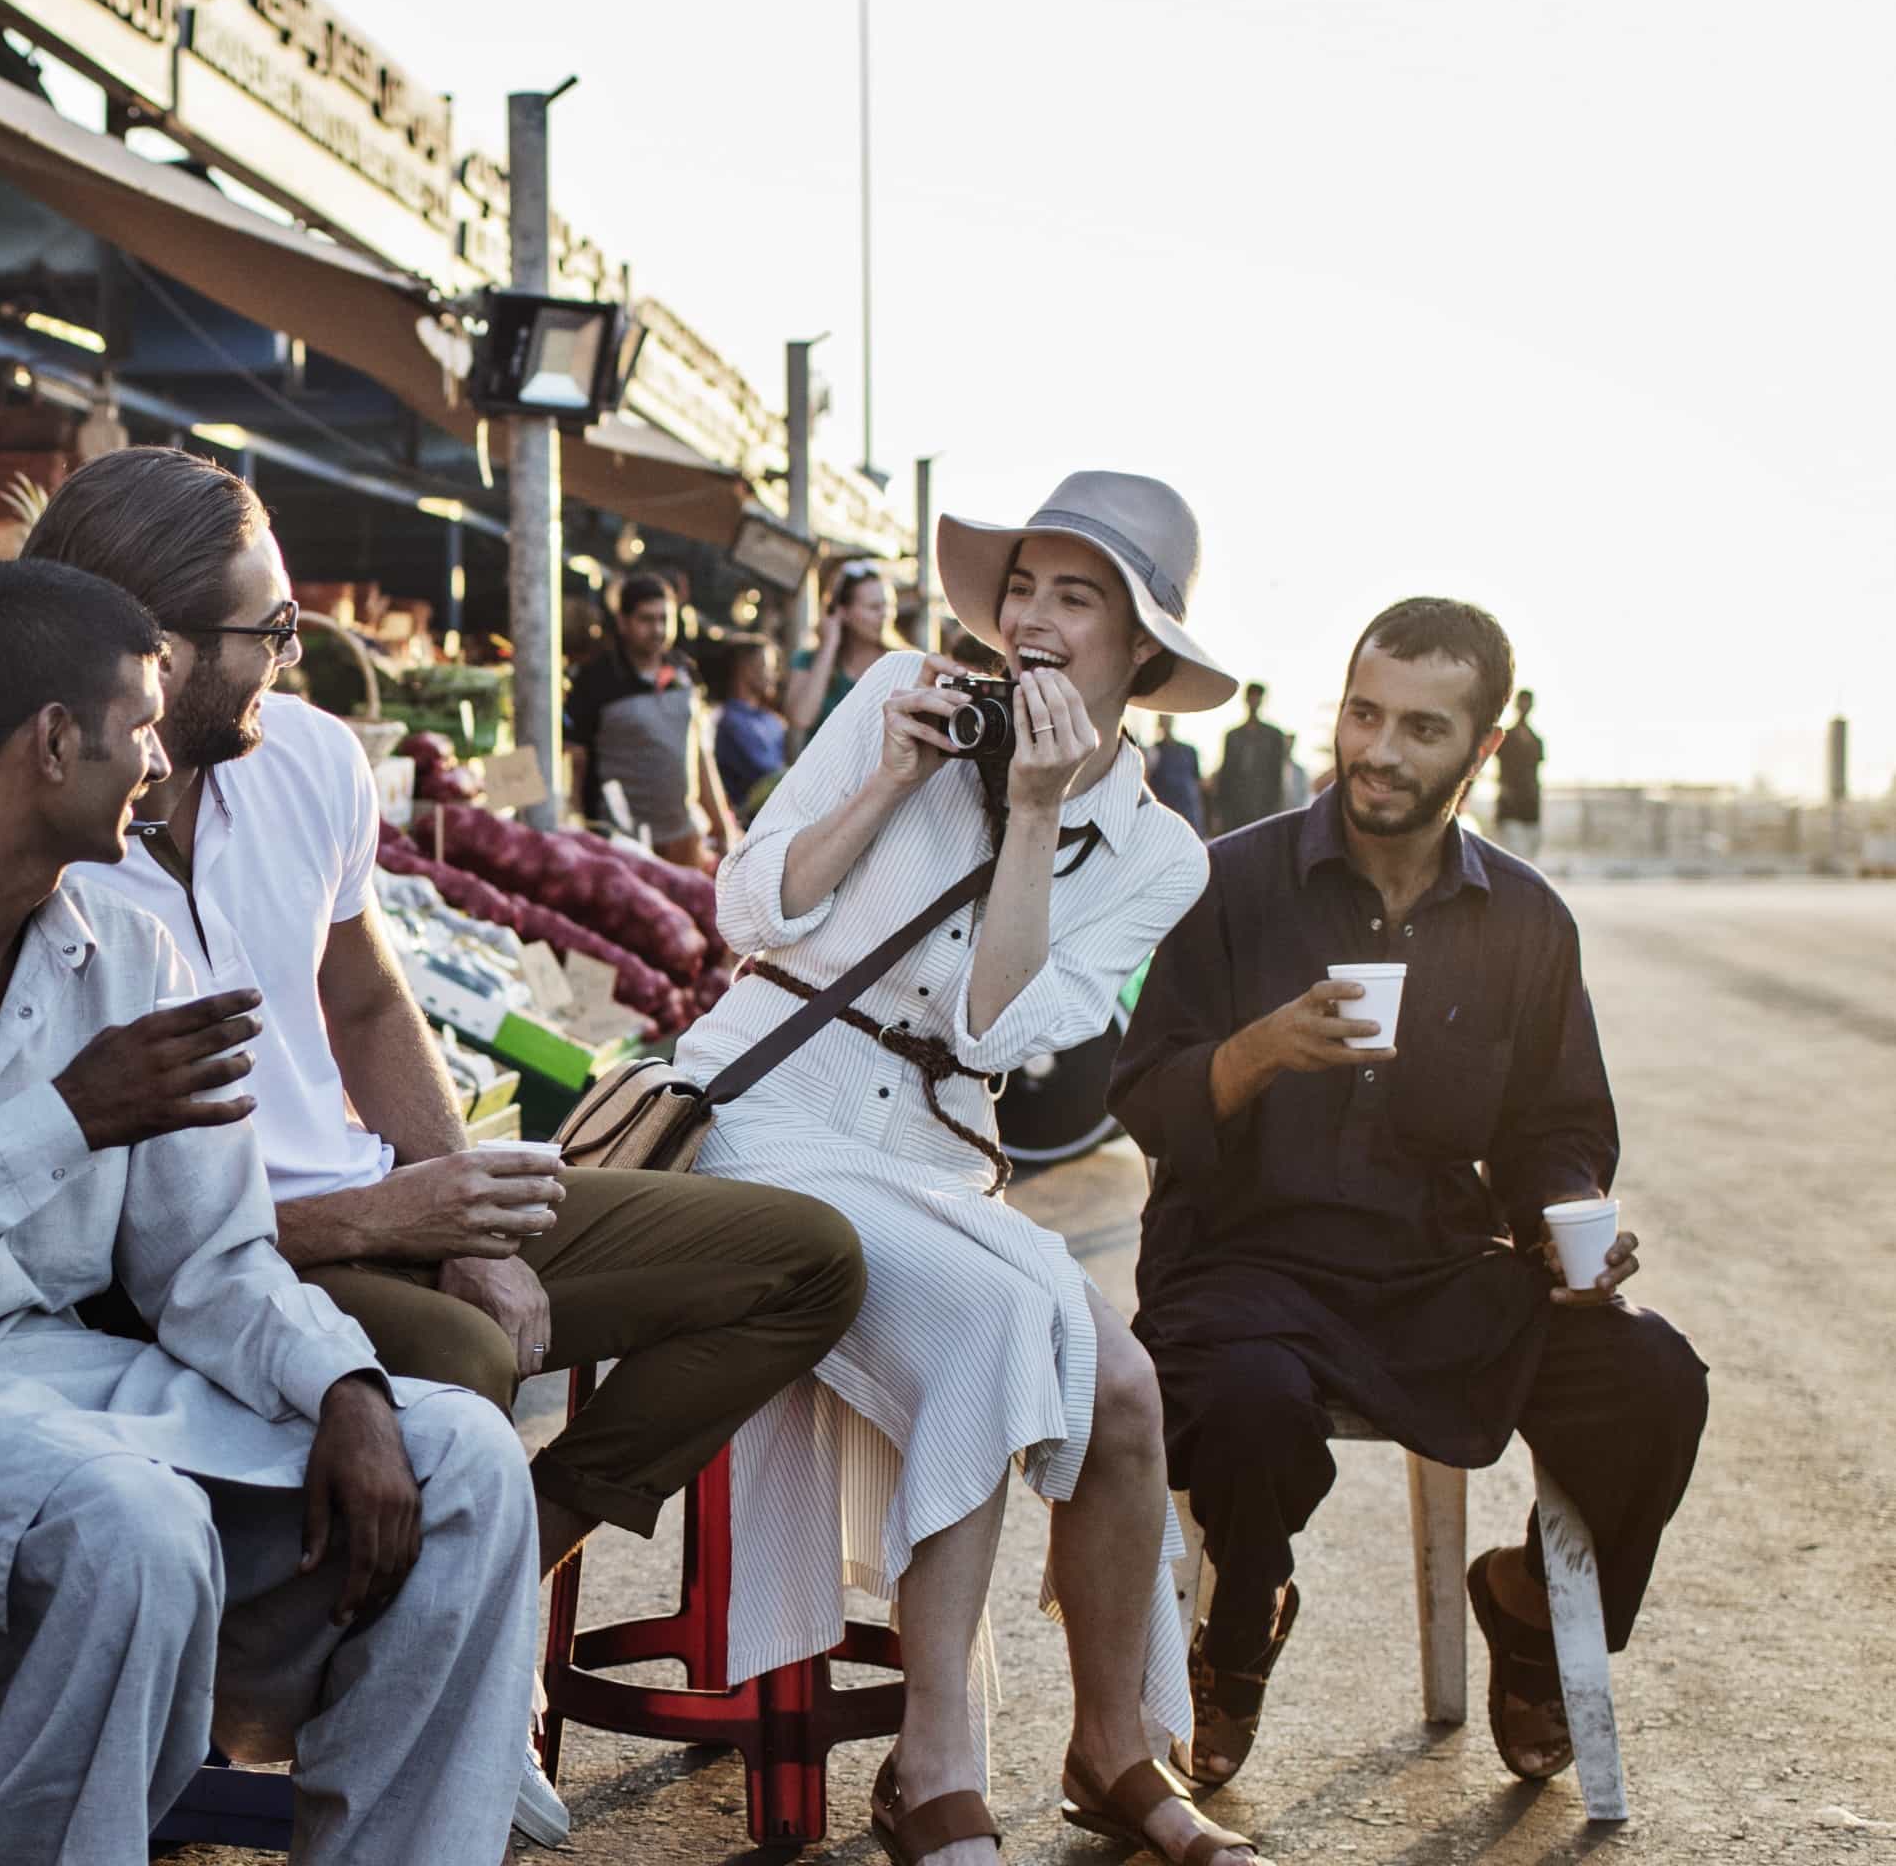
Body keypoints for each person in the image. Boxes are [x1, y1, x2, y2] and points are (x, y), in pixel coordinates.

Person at [0, 559, 543, 1866]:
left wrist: (342, 1386)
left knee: (459, 1459)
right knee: (128, 1518)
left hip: (41, 1387)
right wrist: (64, 1115)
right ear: (51, 741)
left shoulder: (130, 958)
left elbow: (211, 1266)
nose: (161, 760)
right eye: (139, 725)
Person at [24, 449, 865, 1602]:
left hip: (384, 1199)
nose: (293, 655)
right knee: (467, 1360)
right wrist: (378, 1219)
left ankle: (509, 1578)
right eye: (267, 630)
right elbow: (112, 1231)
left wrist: (458, 1215)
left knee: (805, 1260)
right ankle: (419, 1659)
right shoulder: (34, 855)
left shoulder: (311, 758)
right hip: (212, 1270)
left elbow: (364, 998)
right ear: (157, 651)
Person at [685, 472, 1257, 1866]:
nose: (1036, 623)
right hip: (769, 1110)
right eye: (1023, 589)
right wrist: (892, 775)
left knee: (1120, 1389)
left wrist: (1027, 813)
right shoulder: (896, 690)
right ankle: (937, 1762)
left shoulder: (1156, 852)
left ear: (1141, 652)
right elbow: (748, 904)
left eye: (1078, 598)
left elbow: (995, 1030)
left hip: (936, 1158)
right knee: (1015, 1321)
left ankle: (1110, 1748)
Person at [1113, 604, 1701, 1797]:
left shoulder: (1524, 920)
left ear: (1483, 750)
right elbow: (1142, 1097)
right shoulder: (1227, 882)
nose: (1377, 749)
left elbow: (1558, 1129)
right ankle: (1239, 1631)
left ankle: (1528, 1607)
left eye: (1421, 727)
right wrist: (1259, 1050)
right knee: (1243, 1401)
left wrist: (1565, 1220)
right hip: (1240, 1264)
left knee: (1655, 1379)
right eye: (1363, 712)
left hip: (1434, 1271)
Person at [576, 573, 739, 868]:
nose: (658, 629)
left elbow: (701, 757)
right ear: (623, 622)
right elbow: (575, 762)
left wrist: (723, 829)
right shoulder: (596, 681)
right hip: (624, 844)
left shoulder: (684, 672)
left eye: (665, 618)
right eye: (647, 619)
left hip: (686, 838)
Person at [784, 558, 910, 748]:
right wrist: (829, 644)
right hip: (823, 774)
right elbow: (801, 718)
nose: (884, 614)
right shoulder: (808, 660)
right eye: (873, 607)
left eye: (888, 605)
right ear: (843, 612)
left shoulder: (902, 662)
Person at [711, 635, 793, 816]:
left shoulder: (772, 719)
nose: (774, 675)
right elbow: (767, 775)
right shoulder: (728, 720)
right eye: (767, 668)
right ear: (745, 669)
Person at [1211, 683, 1295, 835]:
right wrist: (1219, 811)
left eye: (1257, 697)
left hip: (1264, 807)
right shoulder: (1233, 735)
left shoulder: (1273, 735)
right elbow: (1226, 774)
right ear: (1246, 700)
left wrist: (1276, 810)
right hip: (1236, 808)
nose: (1254, 701)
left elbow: (1277, 775)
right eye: (1252, 697)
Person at [1492, 687, 1546, 860]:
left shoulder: (1536, 740)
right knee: (1512, 856)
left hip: (1530, 807)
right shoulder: (1505, 737)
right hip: (1510, 806)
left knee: (1529, 858)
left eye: (1527, 703)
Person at [1148, 714, 1209, 833]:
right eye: (1163, 720)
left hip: (1189, 813)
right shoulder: (1153, 752)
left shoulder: (1189, 751)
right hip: (1164, 817)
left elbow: (1198, 784)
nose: (1166, 723)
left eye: (1168, 719)